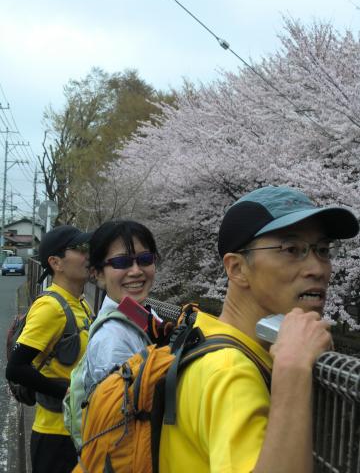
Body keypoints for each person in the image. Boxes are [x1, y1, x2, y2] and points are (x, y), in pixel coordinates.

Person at [159, 185, 359, 473]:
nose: (318, 268)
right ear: (237, 269)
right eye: (292, 250)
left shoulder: (207, 334)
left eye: (323, 250)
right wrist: (293, 369)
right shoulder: (229, 371)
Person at [6, 225, 93, 473]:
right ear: (56, 262)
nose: (89, 255)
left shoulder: (82, 302)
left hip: (80, 430)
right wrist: (68, 391)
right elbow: (16, 369)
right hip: (55, 437)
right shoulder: (50, 308)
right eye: (80, 249)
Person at [82, 219, 161, 396]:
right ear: (98, 274)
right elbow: (124, 417)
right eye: (122, 262)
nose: (136, 271)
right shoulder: (112, 341)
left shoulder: (142, 314)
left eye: (145, 259)